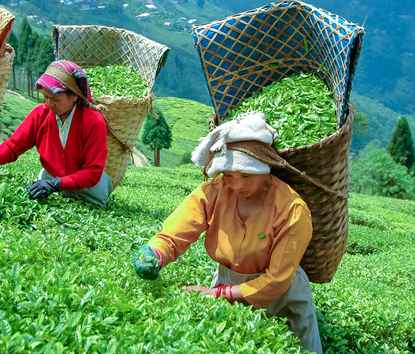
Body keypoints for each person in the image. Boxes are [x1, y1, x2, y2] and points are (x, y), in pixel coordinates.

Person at [132, 112, 323, 353]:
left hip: (282, 296)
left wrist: (218, 295)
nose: (238, 185)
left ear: (266, 169)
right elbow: (177, 232)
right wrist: (156, 253)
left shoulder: (292, 210)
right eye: (229, 175)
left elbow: (276, 281)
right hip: (228, 283)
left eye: (246, 175)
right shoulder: (213, 192)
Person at [0, 60, 113, 206]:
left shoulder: (93, 121)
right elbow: (14, 146)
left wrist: (56, 184)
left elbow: (93, 172)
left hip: (88, 189)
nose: (50, 104)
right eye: (46, 97)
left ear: (75, 95)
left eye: (56, 99)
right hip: (50, 180)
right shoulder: (41, 114)